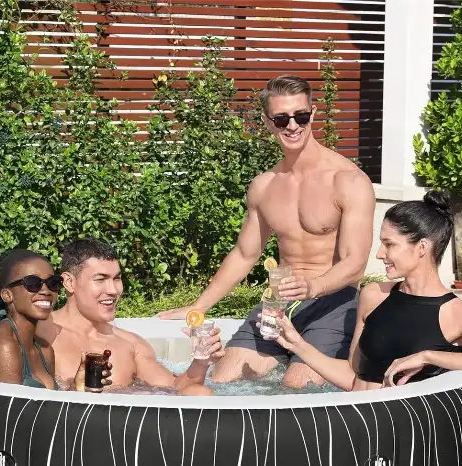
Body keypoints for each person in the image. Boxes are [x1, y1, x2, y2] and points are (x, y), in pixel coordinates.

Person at [158, 74, 376, 388]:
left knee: (297, 389)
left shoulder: (348, 180)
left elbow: (355, 262)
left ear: (313, 114)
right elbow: (245, 253)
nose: (293, 125)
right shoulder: (264, 186)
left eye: (301, 116)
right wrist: (199, 305)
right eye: (282, 118)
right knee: (223, 380)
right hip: (278, 303)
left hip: (333, 303)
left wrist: (312, 287)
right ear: (267, 121)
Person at [272, 191, 462, 390]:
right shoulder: (374, 295)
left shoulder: (460, 314)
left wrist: (427, 356)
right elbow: (354, 377)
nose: (379, 254)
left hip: (398, 428)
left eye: (389, 244)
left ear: (421, 248)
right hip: (355, 421)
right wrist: (297, 345)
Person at [36, 239, 224, 395]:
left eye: (117, 278)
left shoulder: (131, 345)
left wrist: (201, 363)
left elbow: (175, 389)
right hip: (69, 426)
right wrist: (74, 390)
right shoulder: (40, 334)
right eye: (100, 279)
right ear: (69, 282)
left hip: (124, 427)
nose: (113, 290)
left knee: (200, 393)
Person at [0, 249, 104, 391]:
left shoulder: (44, 349)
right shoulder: (4, 347)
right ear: (7, 295)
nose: (46, 291)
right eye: (33, 283)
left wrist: (77, 387)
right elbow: (13, 405)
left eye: (53, 283)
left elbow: (52, 400)